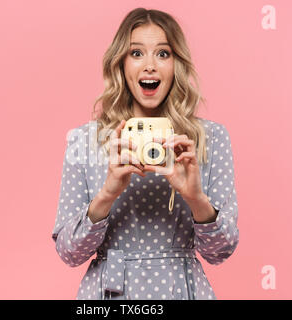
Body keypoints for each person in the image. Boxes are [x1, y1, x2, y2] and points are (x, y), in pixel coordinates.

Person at [52, 8, 239, 300]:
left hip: (182, 290)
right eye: (136, 53)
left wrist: (195, 199)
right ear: (121, 64)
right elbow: (68, 253)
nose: (150, 66)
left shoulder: (209, 138)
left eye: (163, 54)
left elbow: (221, 252)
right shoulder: (84, 140)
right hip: (109, 293)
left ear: (176, 63)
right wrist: (107, 194)